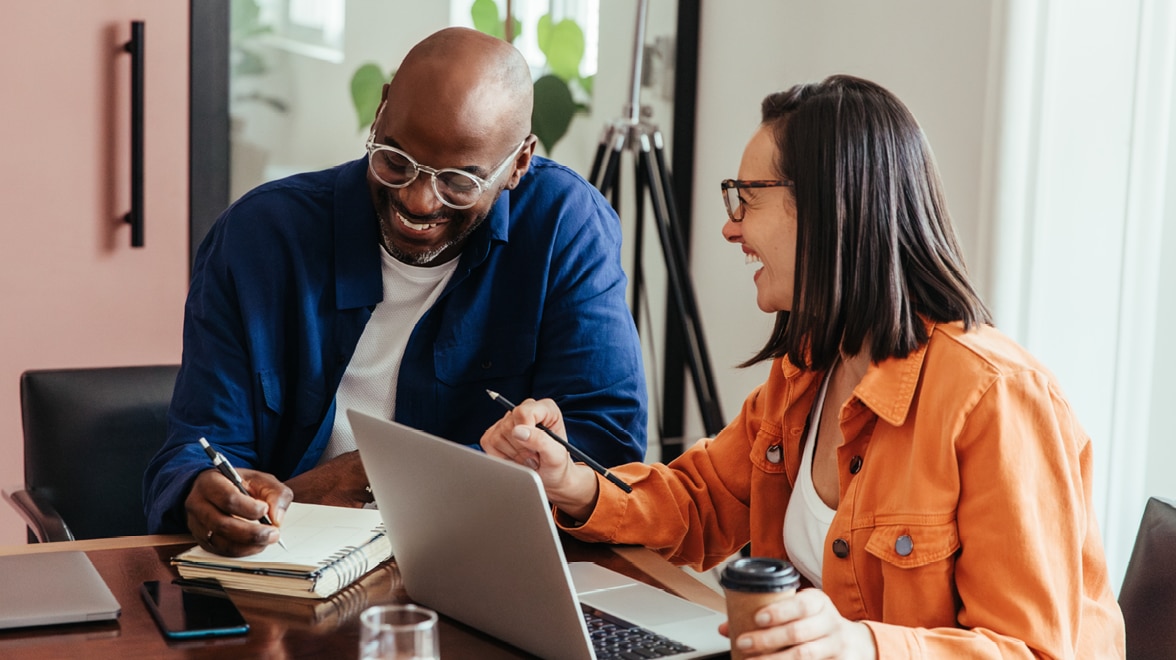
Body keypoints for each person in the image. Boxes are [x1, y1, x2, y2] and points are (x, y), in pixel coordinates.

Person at [482, 75, 1125, 658]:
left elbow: (1032, 651)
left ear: (828, 206)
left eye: (744, 198)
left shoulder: (997, 399)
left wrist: (859, 647)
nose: (731, 230)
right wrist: (572, 482)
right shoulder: (808, 369)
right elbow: (703, 502)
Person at [143, 27, 647, 557]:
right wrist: (206, 492)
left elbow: (604, 453)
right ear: (381, 112)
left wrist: (379, 474)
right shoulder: (260, 238)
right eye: (395, 159)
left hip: (482, 567)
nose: (418, 201)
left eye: (459, 181)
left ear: (518, 162)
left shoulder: (563, 229)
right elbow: (198, 447)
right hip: (288, 569)